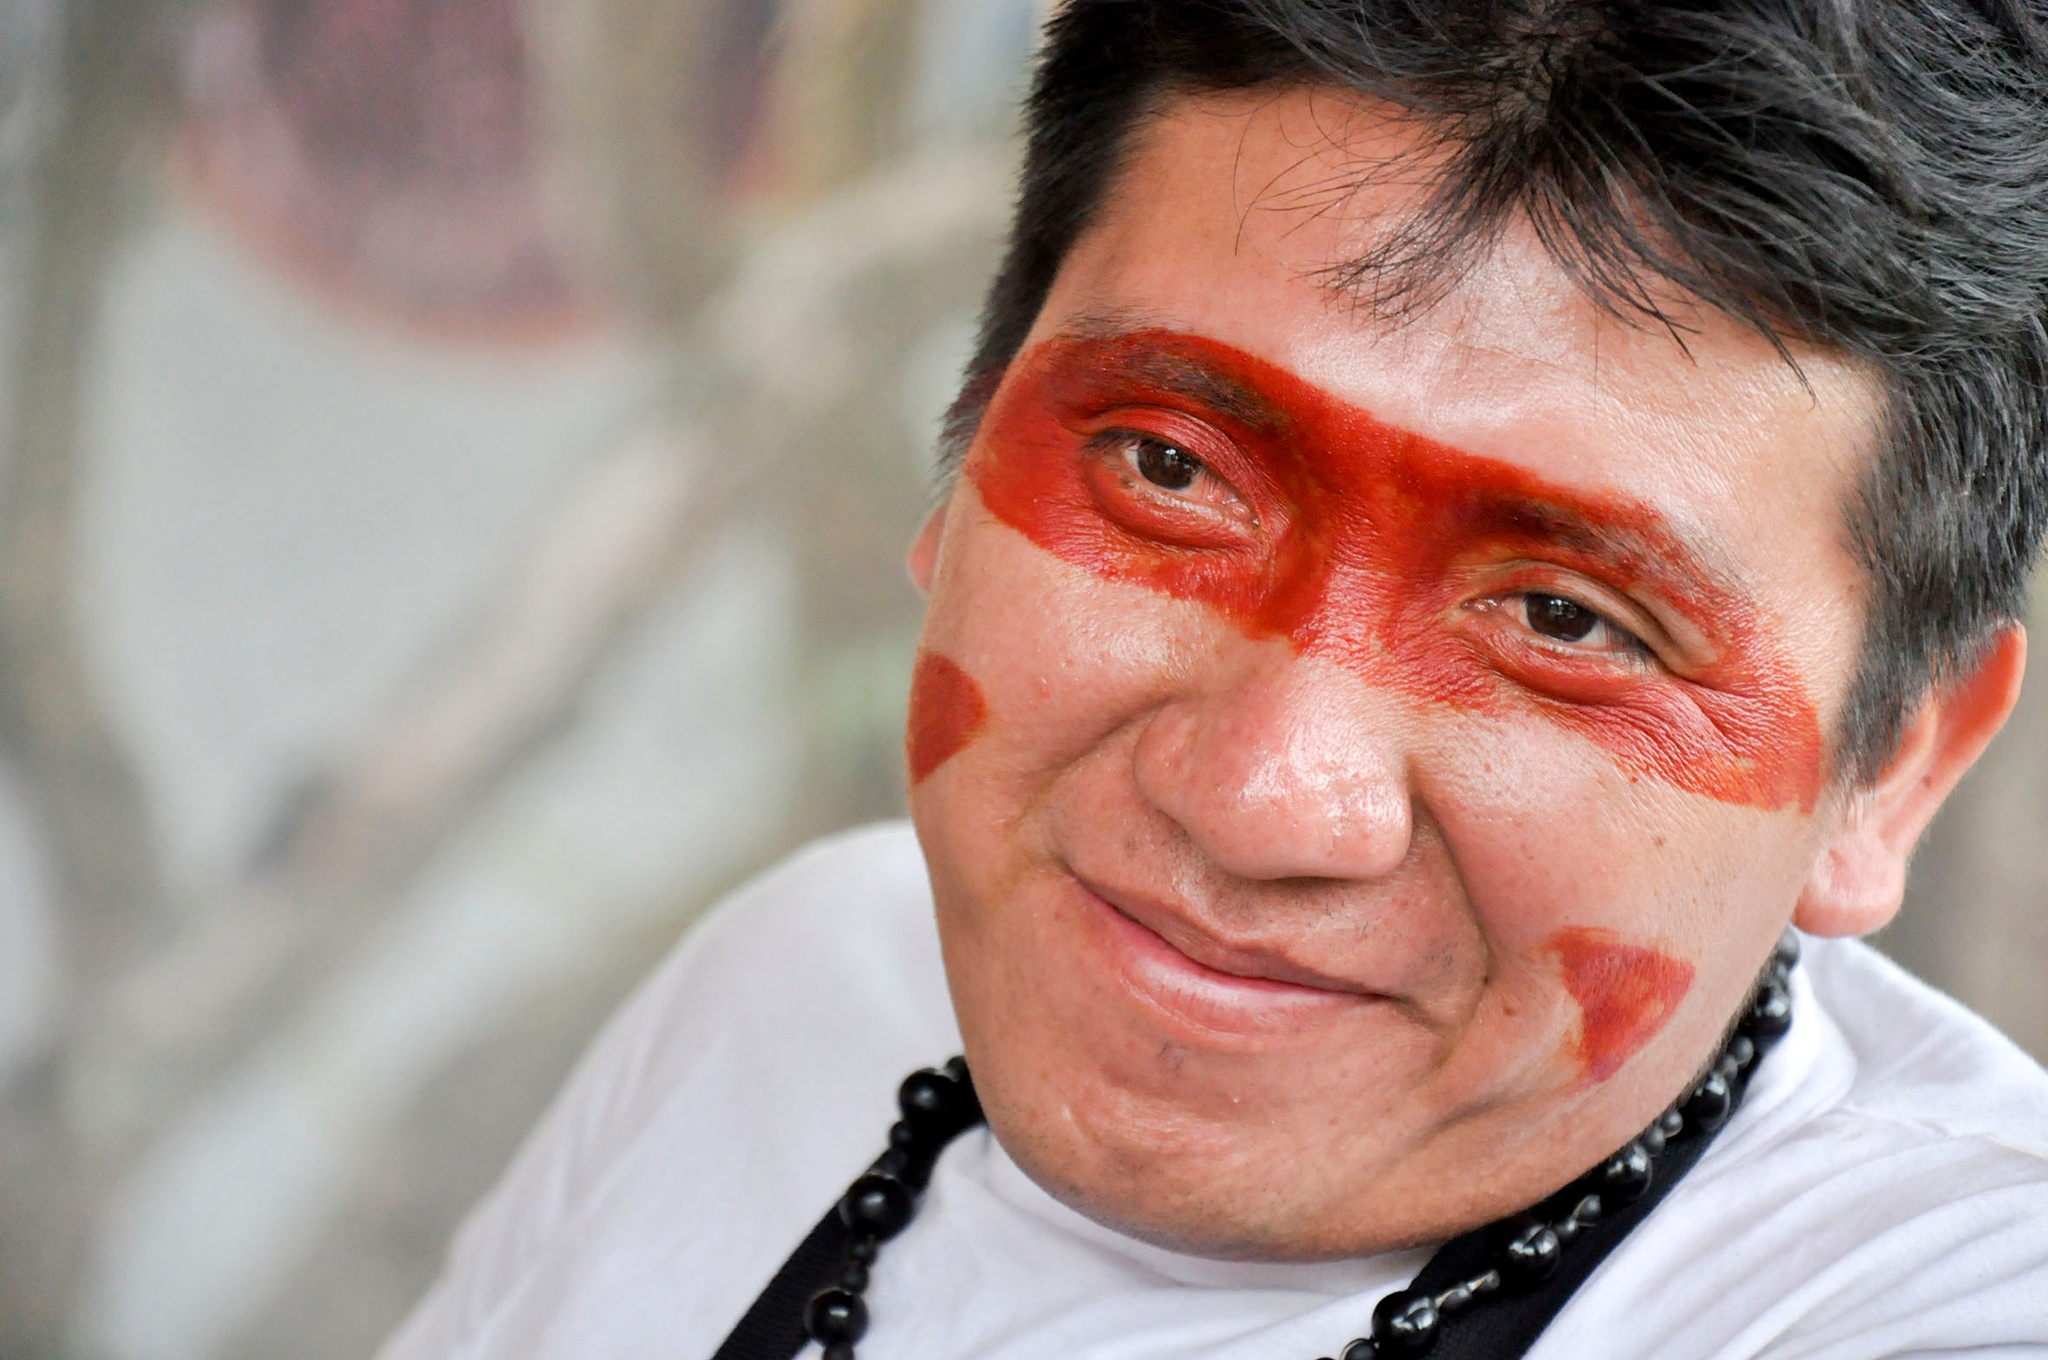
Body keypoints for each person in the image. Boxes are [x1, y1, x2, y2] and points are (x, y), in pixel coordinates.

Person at [377, 1, 2048, 1356]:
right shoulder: (801, 987)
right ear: (961, 457)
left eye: (1567, 619)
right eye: (1168, 469)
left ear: (1895, 768)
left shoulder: (1951, 1302)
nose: (1259, 801)